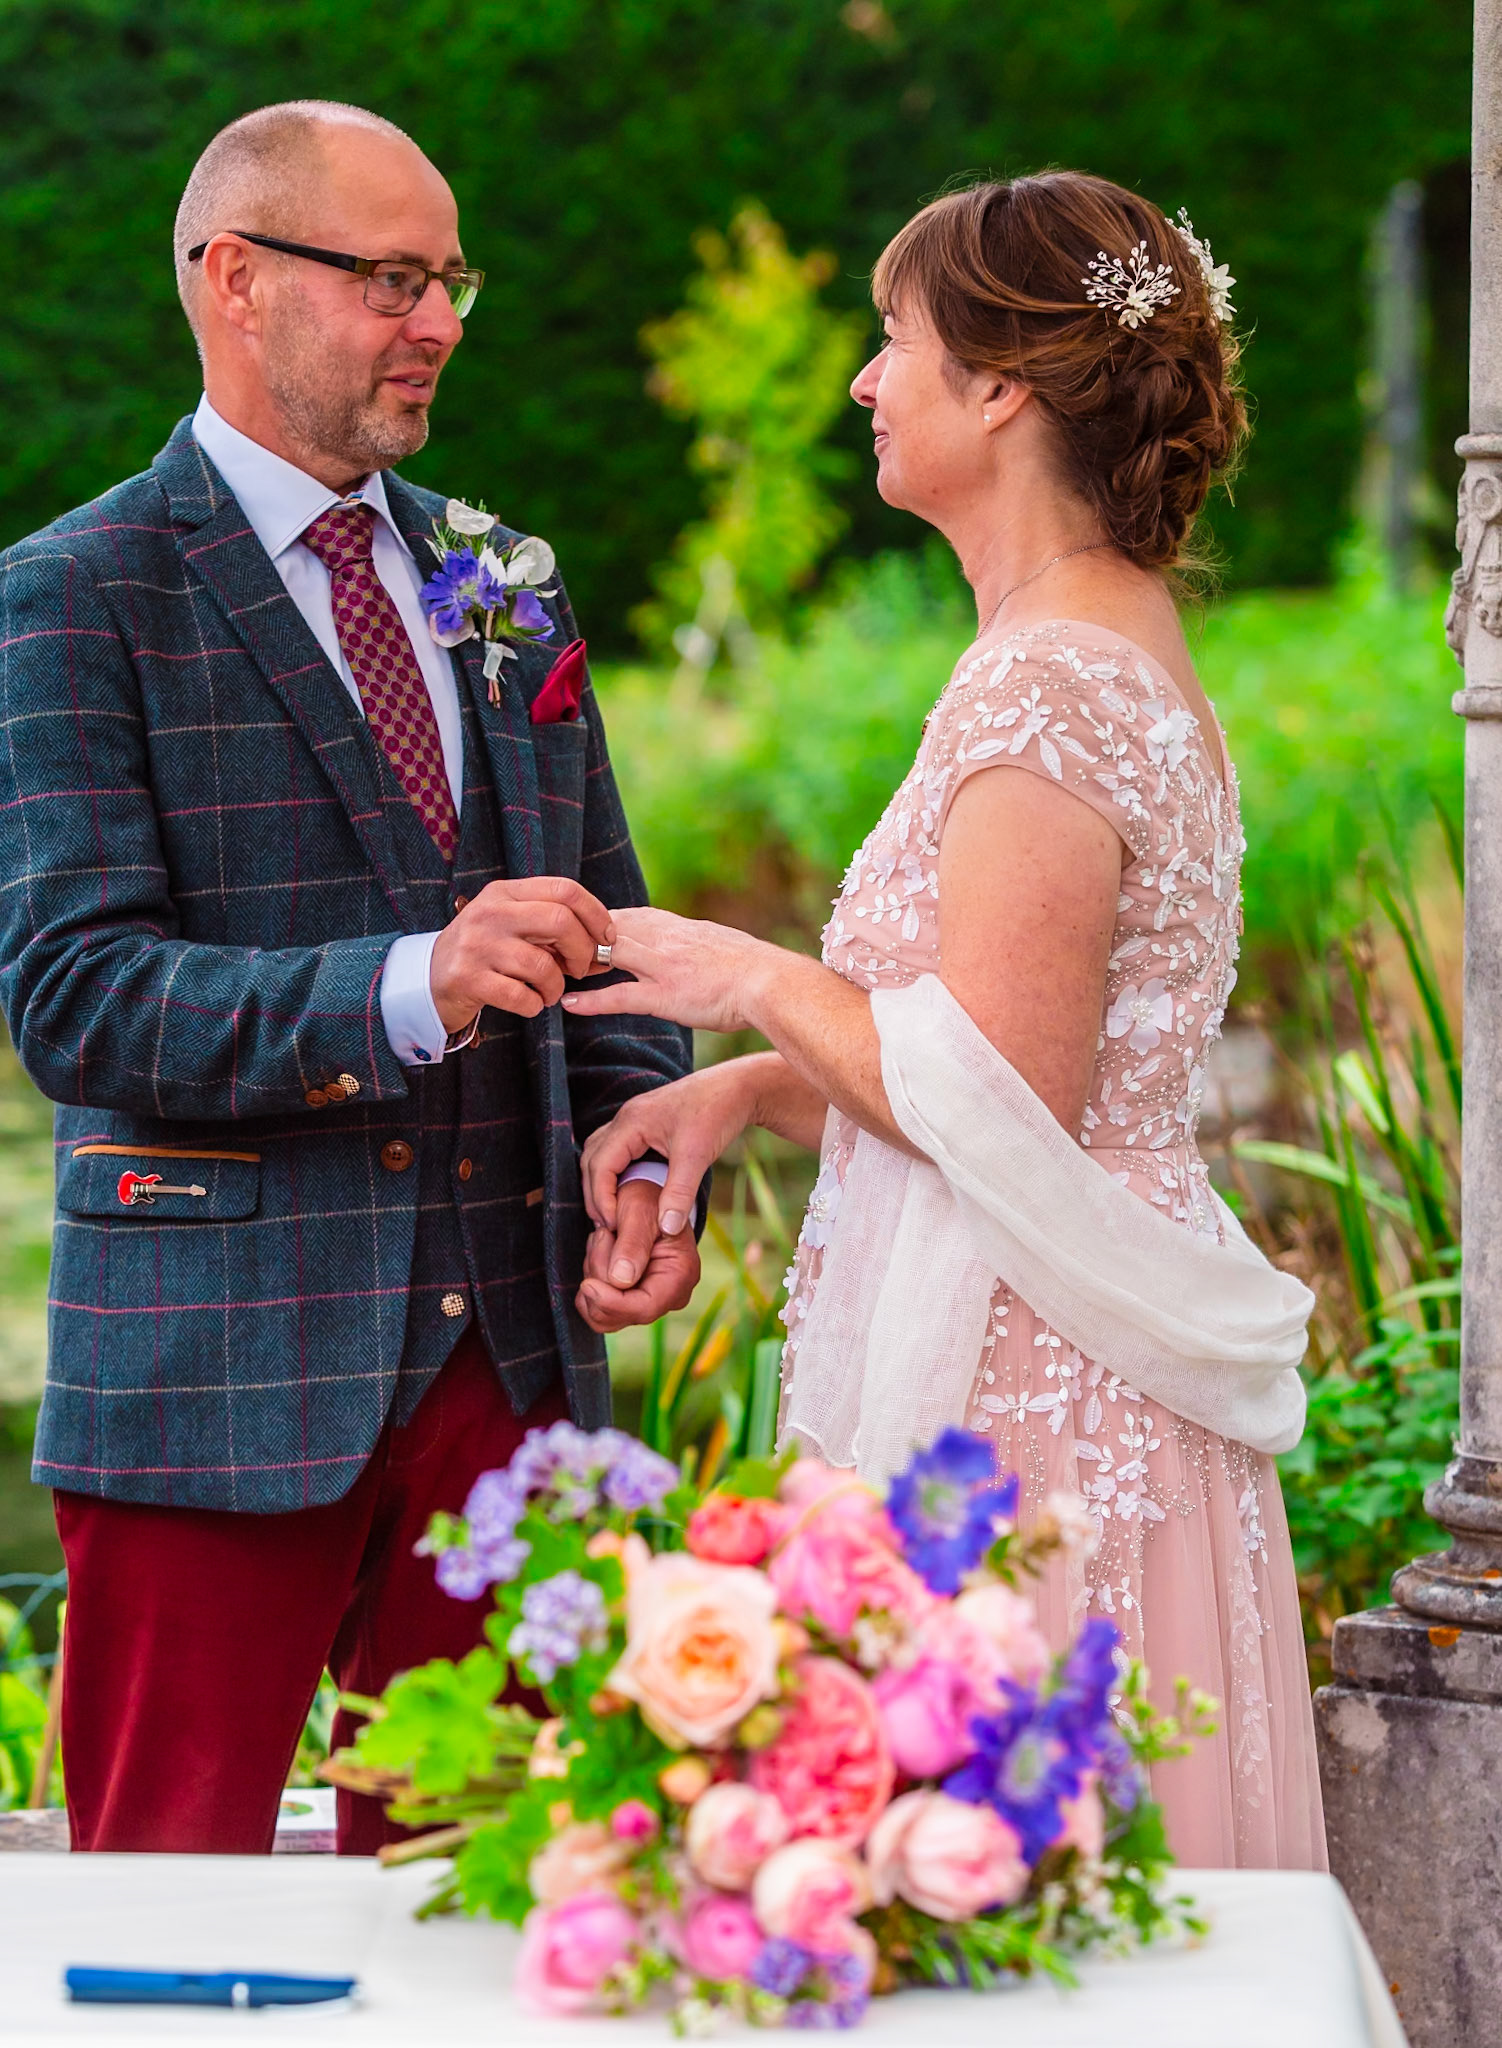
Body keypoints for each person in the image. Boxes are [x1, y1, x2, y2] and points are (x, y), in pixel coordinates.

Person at [0, 100, 697, 1856]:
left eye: (449, 280)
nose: (434, 320)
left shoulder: (501, 577)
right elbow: (74, 997)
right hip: (213, 1377)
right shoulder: (71, 594)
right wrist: (405, 985)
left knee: (495, 1927)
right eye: (386, 278)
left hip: (508, 1384)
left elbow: (606, 928)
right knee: (164, 1920)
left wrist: (646, 1150)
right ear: (232, 282)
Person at [563, 172, 1327, 1869]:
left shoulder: (1050, 679)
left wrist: (749, 976)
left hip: (1034, 1392)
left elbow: (995, 1092)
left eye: (889, 336)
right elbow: (993, 1050)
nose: (859, 380)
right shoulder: (1081, 645)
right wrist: (757, 1091)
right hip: (1043, 1319)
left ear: (997, 385)